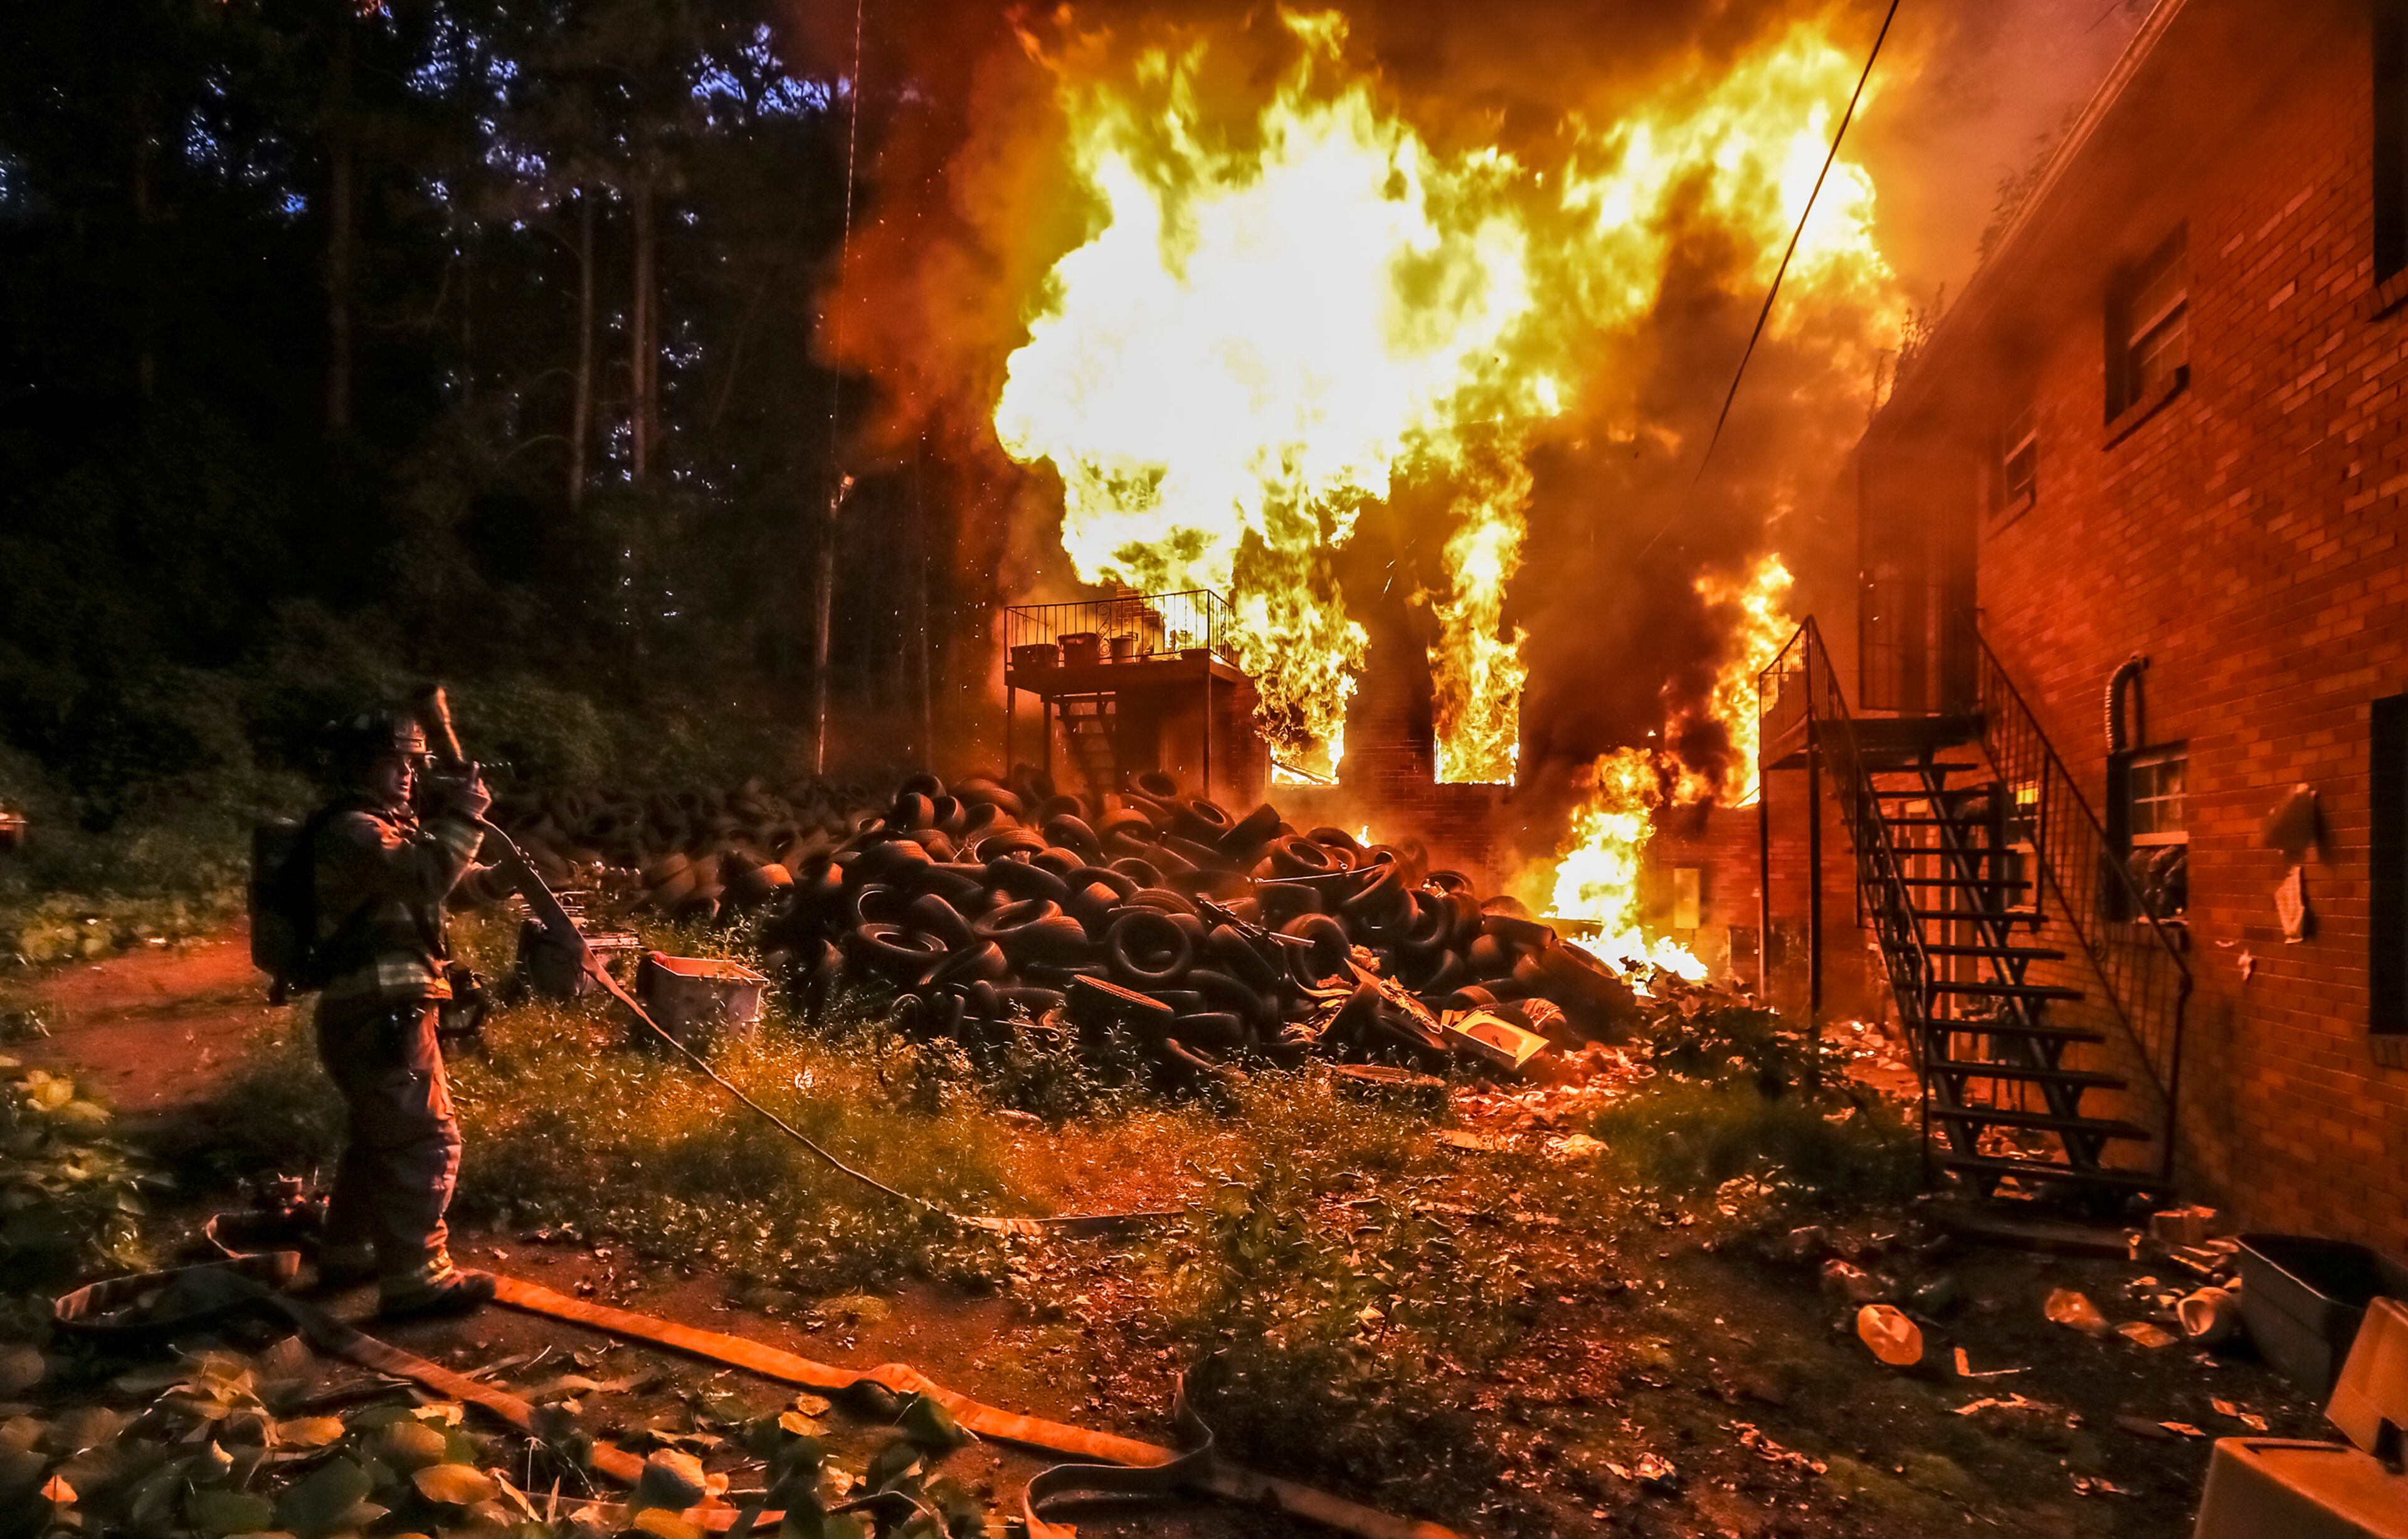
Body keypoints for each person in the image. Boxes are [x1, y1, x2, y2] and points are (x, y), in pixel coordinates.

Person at [307, 707, 495, 1317]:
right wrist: (467, 816)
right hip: (381, 1010)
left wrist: (492, 884)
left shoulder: (384, 829)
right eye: (394, 763)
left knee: (377, 1136)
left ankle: (350, 1250)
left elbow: (433, 893)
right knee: (422, 1138)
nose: (408, 775)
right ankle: (418, 1279)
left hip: (379, 1008)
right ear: (359, 769)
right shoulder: (354, 831)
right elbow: (423, 877)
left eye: (412, 764)